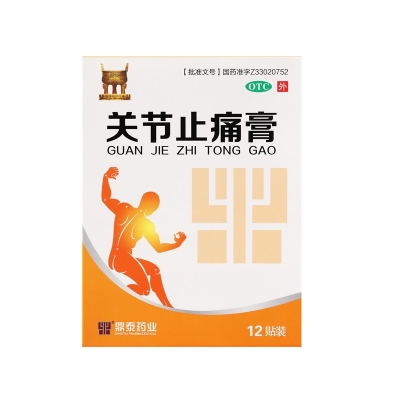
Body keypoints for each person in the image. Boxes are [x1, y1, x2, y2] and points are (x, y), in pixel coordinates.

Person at [102, 167, 186, 308]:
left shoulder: (124, 208)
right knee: (145, 290)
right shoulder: (146, 224)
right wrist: (177, 244)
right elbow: (158, 248)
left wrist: (105, 177)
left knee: (154, 270)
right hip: (122, 259)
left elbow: (106, 199)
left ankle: (167, 306)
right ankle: (117, 297)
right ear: (152, 209)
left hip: (116, 258)